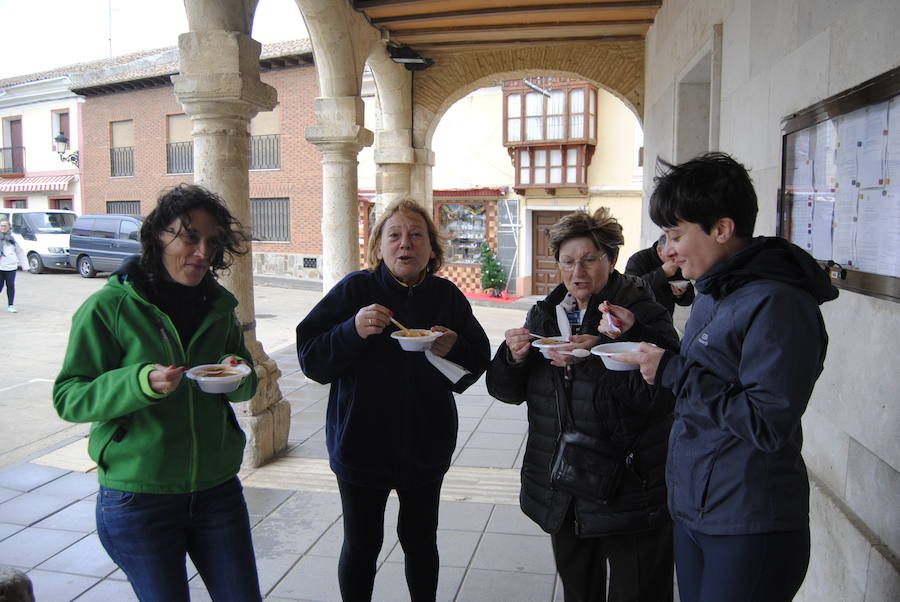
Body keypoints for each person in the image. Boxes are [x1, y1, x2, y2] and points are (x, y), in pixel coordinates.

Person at [622, 153, 838, 602]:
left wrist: (673, 372)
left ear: (721, 229)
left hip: (749, 520)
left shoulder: (777, 302)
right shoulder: (717, 289)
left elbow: (765, 422)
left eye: (677, 234)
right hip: (698, 507)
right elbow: (703, 375)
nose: (668, 250)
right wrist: (640, 341)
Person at [53, 184, 262, 602]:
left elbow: (243, 378)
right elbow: (69, 396)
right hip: (139, 496)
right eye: (189, 236)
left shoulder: (219, 306)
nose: (202, 251)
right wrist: (139, 382)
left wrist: (241, 375)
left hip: (216, 489)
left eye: (212, 241)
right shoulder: (108, 308)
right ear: (157, 237)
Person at [296, 198, 490, 602]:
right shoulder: (355, 290)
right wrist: (350, 330)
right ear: (379, 247)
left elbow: (477, 361)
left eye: (417, 235)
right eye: (395, 235)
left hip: (426, 445)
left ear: (432, 249)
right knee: (362, 544)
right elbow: (312, 360)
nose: (406, 244)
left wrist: (453, 347)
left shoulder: (446, 295)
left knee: (420, 540)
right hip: (360, 446)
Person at [486, 207, 679, 602]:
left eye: (590, 260)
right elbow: (505, 391)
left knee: (638, 591)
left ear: (610, 259)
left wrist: (599, 354)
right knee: (579, 592)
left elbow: (663, 398)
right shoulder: (543, 316)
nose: (579, 272)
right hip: (565, 486)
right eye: (568, 262)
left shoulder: (642, 312)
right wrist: (513, 357)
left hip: (630, 488)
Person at [624, 232, 695, 315]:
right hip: (639, 319)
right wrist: (662, 273)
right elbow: (630, 290)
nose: (676, 258)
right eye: (672, 254)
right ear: (660, 250)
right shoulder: (638, 259)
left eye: (678, 253)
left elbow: (689, 300)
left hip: (665, 319)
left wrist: (680, 295)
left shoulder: (678, 262)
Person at [0, 218, 26, 313]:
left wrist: (25, 265)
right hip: (0, 267)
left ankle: (10, 305)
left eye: (5, 226)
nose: (3, 227)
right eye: (1, 225)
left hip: (11, 266)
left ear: (9, 227)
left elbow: (20, 252)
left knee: (10, 285)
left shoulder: (13, 239)